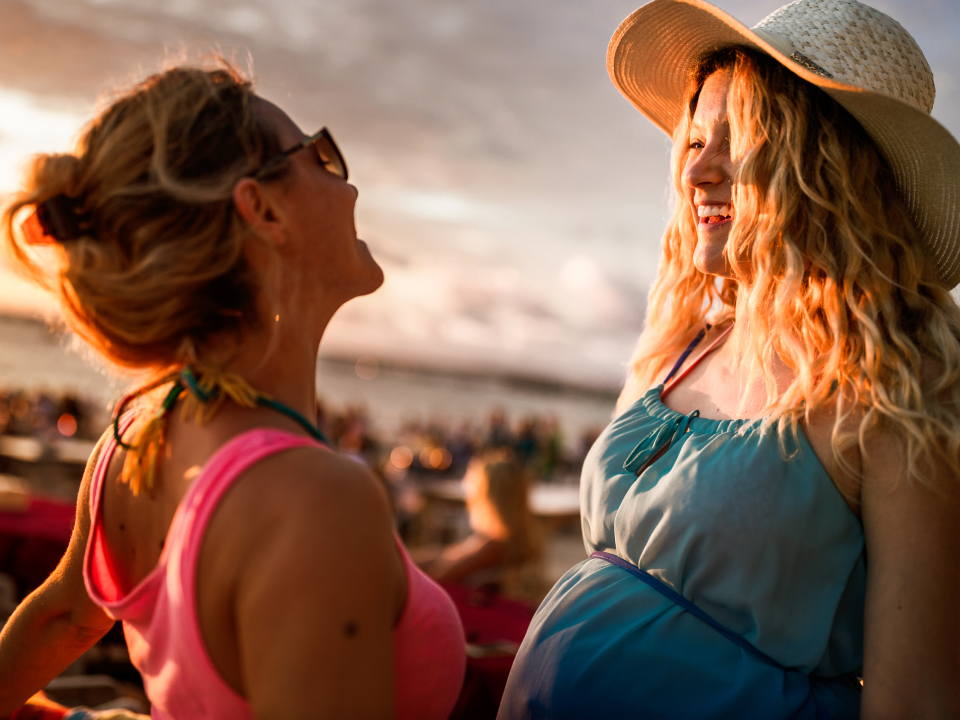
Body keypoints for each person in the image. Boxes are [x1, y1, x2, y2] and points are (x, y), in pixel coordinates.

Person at [499, 0, 960, 717]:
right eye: (693, 141)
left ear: (826, 166)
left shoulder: (897, 383)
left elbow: (916, 699)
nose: (699, 172)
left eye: (739, 138)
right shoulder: (679, 344)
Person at [0, 62, 465, 719]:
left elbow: (61, 620)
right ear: (263, 209)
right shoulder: (312, 498)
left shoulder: (138, 435)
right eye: (322, 156)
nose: (350, 188)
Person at [417, 449, 541, 594]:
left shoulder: (492, 547)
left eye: (471, 492)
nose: (468, 501)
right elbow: (445, 556)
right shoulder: (510, 541)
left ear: (486, 498)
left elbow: (434, 582)